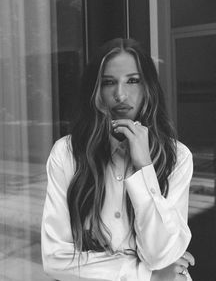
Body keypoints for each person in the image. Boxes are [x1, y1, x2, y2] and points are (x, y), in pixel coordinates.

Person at [41, 38, 195, 281]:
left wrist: (144, 167)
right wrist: (145, 275)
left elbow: (159, 254)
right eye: (108, 82)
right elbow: (55, 258)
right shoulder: (66, 153)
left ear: (148, 88)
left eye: (133, 81)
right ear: (96, 91)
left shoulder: (177, 157)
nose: (120, 94)